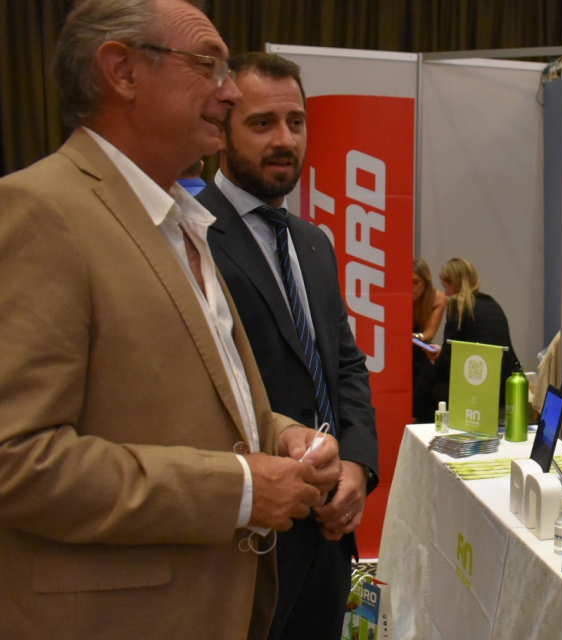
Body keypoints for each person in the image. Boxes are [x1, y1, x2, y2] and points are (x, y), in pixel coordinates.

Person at [0, 2, 340, 639]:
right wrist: (239, 491)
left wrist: (282, 434)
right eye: (207, 65)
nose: (229, 91)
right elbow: (16, 460)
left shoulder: (179, 219)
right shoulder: (42, 212)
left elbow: (193, 401)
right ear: (122, 71)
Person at [197, 52, 379, 640]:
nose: (284, 140)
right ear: (222, 131)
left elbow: (345, 364)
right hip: (247, 541)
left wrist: (357, 463)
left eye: (295, 122)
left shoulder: (313, 242)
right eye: (262, 123)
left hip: (329, 535)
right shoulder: (190, 234)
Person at [425, 258, 521, 410]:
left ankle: (413, 419)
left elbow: (449, 355)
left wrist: (436, 361)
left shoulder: (458, 304)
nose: (446, 293)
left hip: (481, 387)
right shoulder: (492, 303)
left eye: (446, 287)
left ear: (454, 283)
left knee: (427, 376)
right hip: (506, 384)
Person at [412, 258, 447, 422]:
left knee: (427, 368)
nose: (410, 288)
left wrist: (413, 336)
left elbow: (429, 334)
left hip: (420, 346)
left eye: (415, 282)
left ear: (425, 282)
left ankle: (416, 417)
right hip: (398, 347)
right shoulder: (398, 295)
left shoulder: (437, 298)